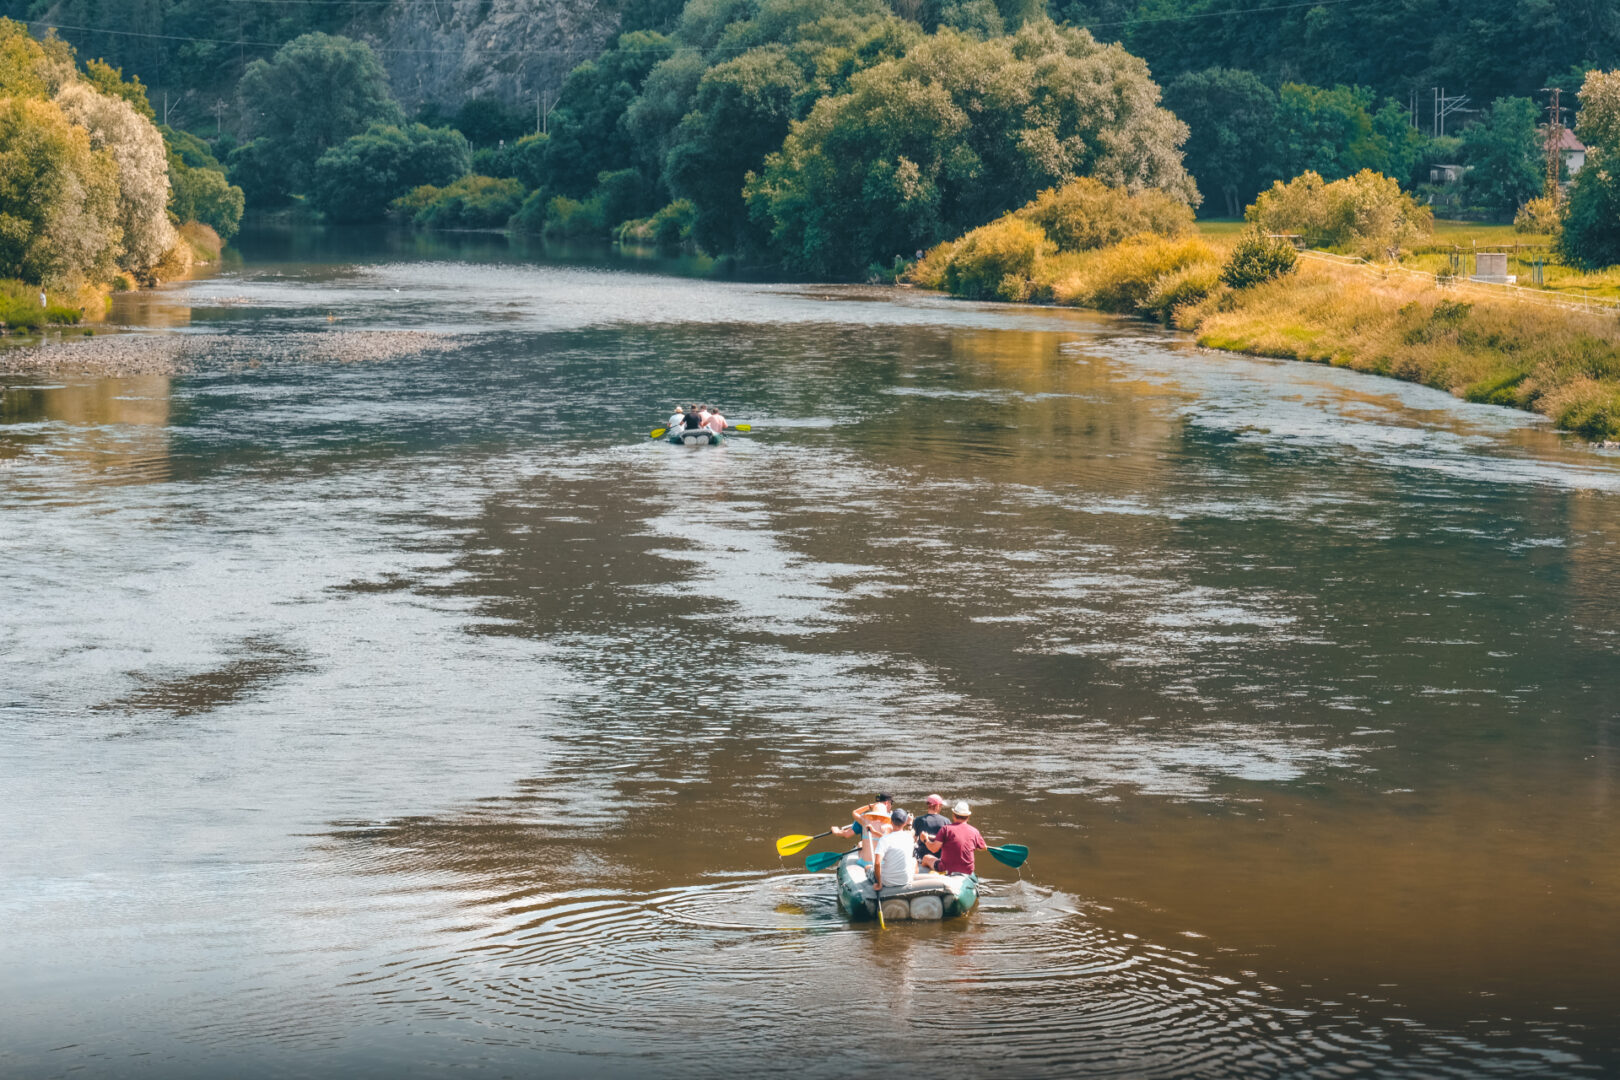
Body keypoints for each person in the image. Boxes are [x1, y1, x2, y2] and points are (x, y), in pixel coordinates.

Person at [830, 793, 893, 864]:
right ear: (887, 803)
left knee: (860, 844)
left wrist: (836, 831)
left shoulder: (865, 819)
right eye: (892, 803)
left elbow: (847, 834)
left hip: (867, 858)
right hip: (885, 860)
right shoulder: (893, 820)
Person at [934, 800, 986, 876]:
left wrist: (925, 840)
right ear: (968, 817)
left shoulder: (946, 829)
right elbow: (984, 848)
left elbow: (934, 849)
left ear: (953, 815)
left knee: (927, 858)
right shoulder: (975, 831)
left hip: (947, 869)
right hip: (968, 870)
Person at [872, 808, 917, 891]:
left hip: (887, 882)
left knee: (868, 868)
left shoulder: (884, 839)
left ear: (891, 822)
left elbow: (877, 863)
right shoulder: (910, 838)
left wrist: (879, 884)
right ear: (904, 823)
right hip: (905, 880)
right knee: (914, 860)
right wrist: (910, 823)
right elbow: (911, 832)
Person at [913, 794, 950, 870]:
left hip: (922, 856)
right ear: (937, 806)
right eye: (940, 806)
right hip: (939, 858)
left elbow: (914, 839)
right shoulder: (946, 821)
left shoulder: (918, 820)